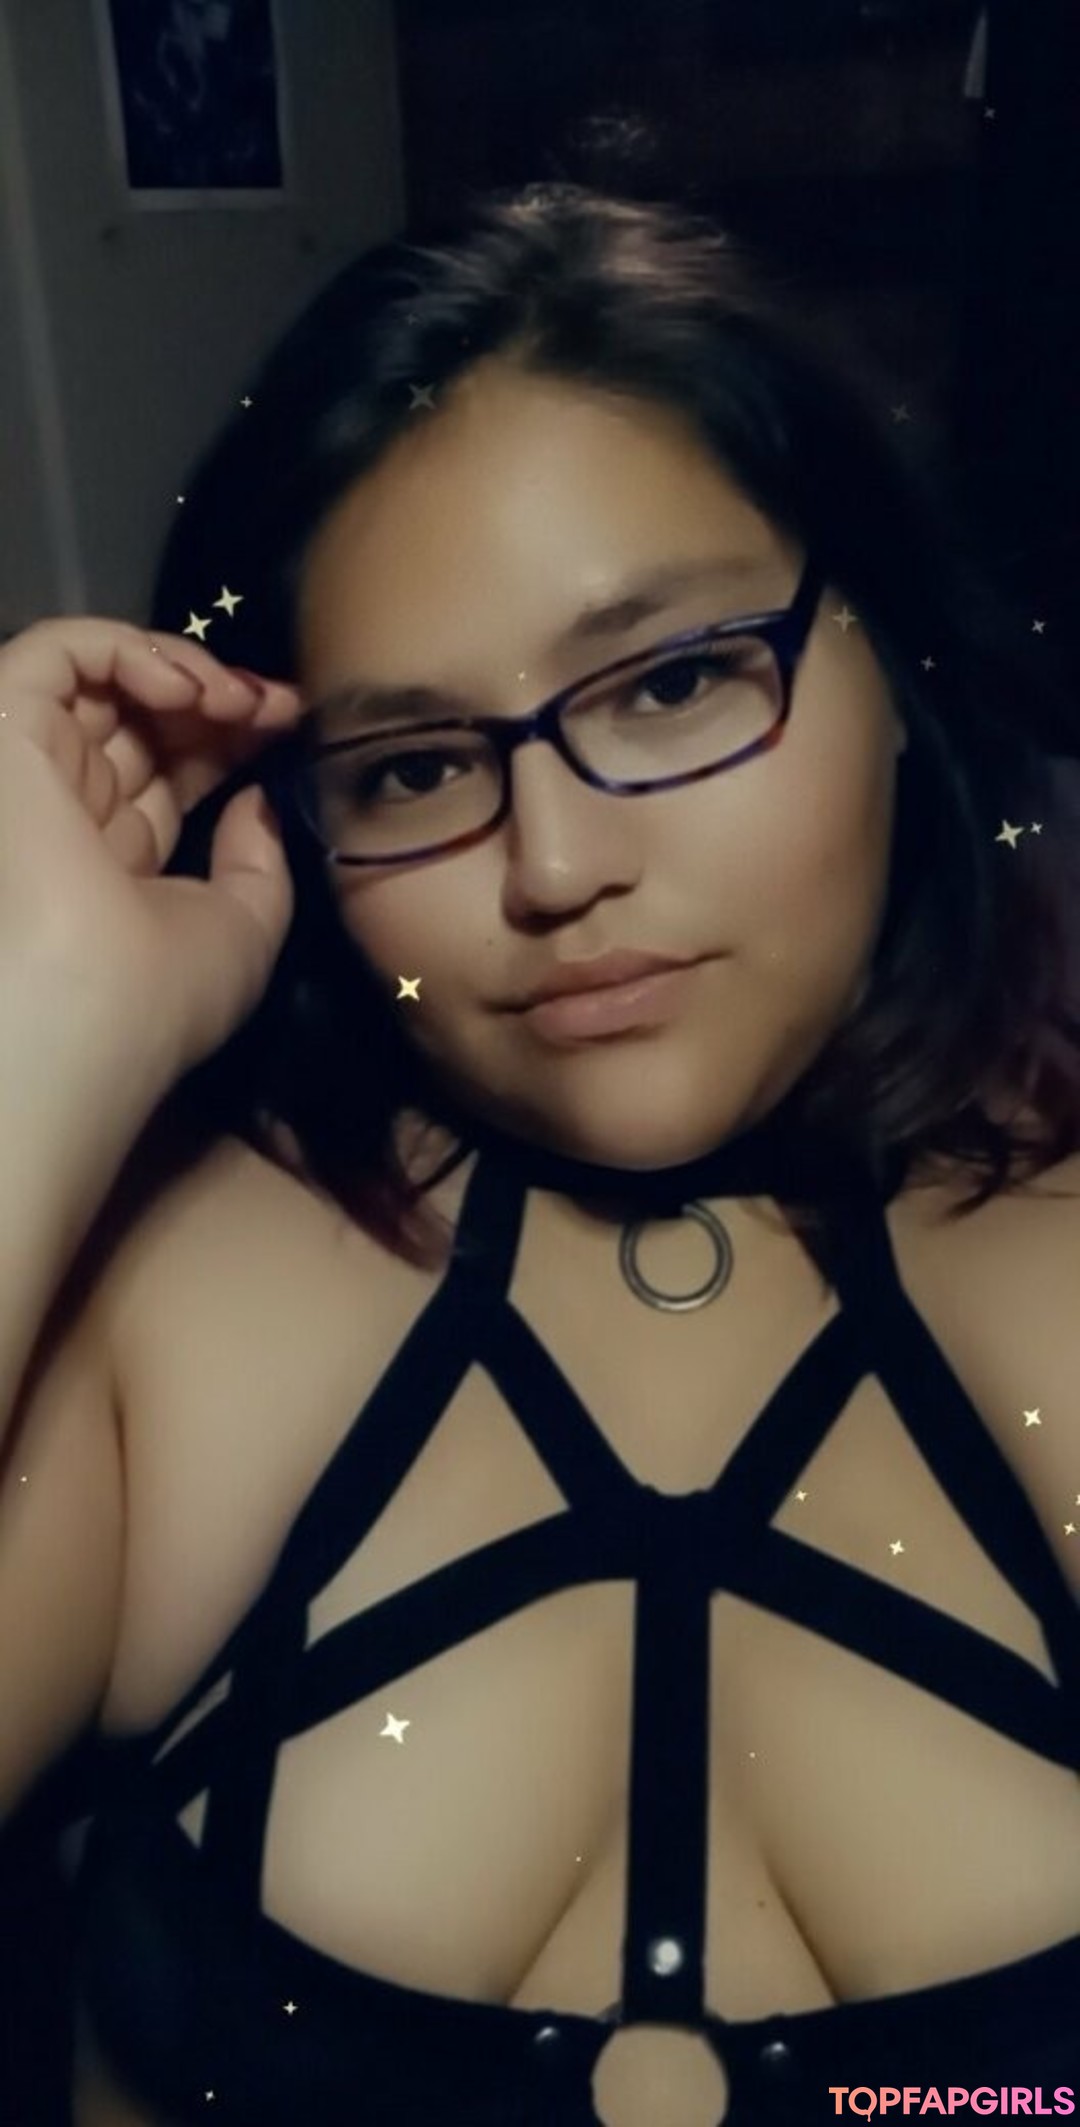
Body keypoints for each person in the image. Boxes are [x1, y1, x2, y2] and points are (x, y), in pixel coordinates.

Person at [0, 181, 1078, 2127]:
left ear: (895, 664)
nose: (558, 866)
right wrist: (43, 1042)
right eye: (413, 766)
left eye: (672, 680)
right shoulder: (178, 1307)